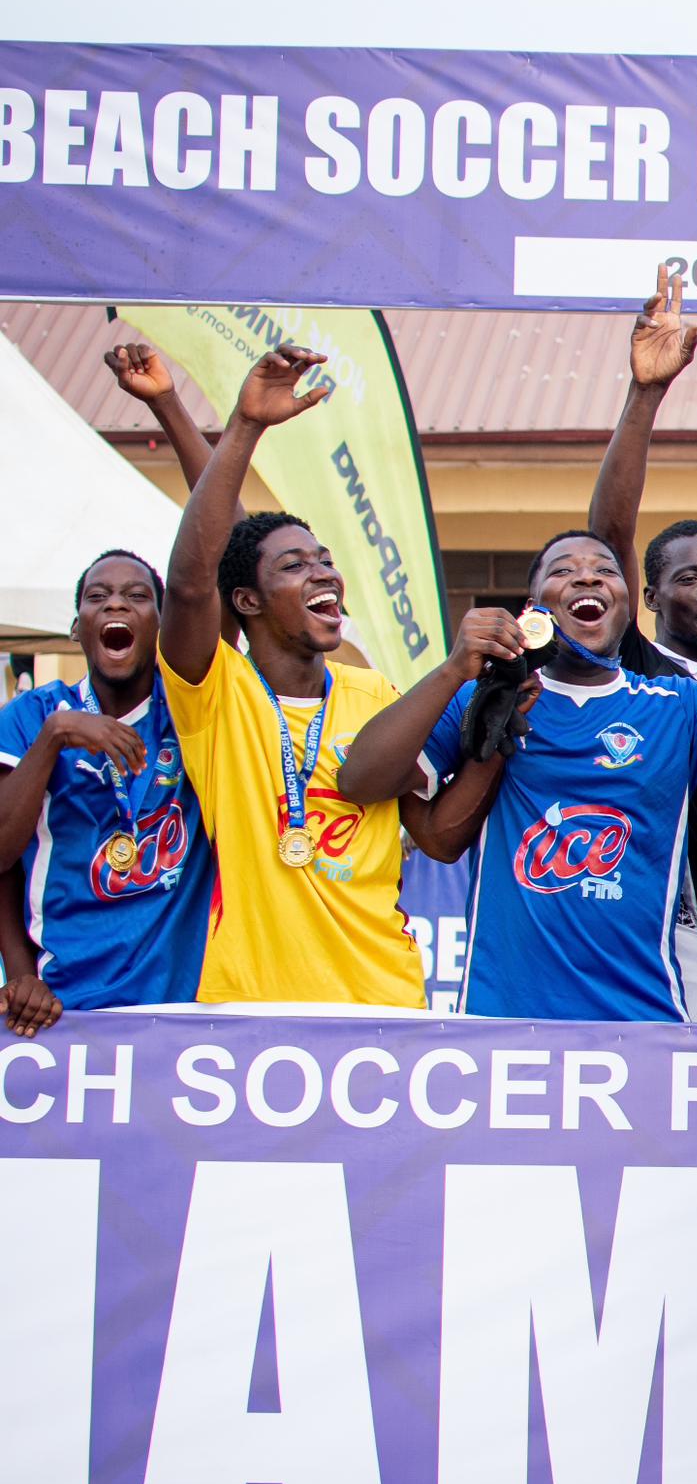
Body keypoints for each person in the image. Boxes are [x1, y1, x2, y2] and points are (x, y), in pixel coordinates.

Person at [337, 526, 697, 1019]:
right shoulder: (485, 697)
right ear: (535, 606)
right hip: (501, 1020)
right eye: (564, 570)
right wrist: (451, 671)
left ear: (628, 601)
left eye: (605, 571)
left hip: (642, 1022)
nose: (587, 579)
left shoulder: (680, 706)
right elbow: (360, 781)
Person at [156, 346, 443, 1006]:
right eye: (294, 566)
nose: (323, 573)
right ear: (248, 603)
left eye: (324, 560)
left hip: (383, 1004)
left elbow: (431, 831)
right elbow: (194, 580)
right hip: (250, 1004)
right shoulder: (216, 693)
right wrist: (245, 427)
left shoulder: (376, 693)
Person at [0, 345, 219, 1034]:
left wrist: (165, 404)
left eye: (136, 595)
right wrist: (20, 970)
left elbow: (222, 550)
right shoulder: (31, 715)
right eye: (98, 596)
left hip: (183, 1010)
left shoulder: (194, 705)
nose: (116, 605)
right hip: (59, 1008)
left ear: (162, 620)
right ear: (77, 625)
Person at [585, 265, 697, 1022]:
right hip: (694, 956)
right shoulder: (645, 673)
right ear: (648, 597)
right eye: (688, 580)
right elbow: (609, 535)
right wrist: (646, 395)